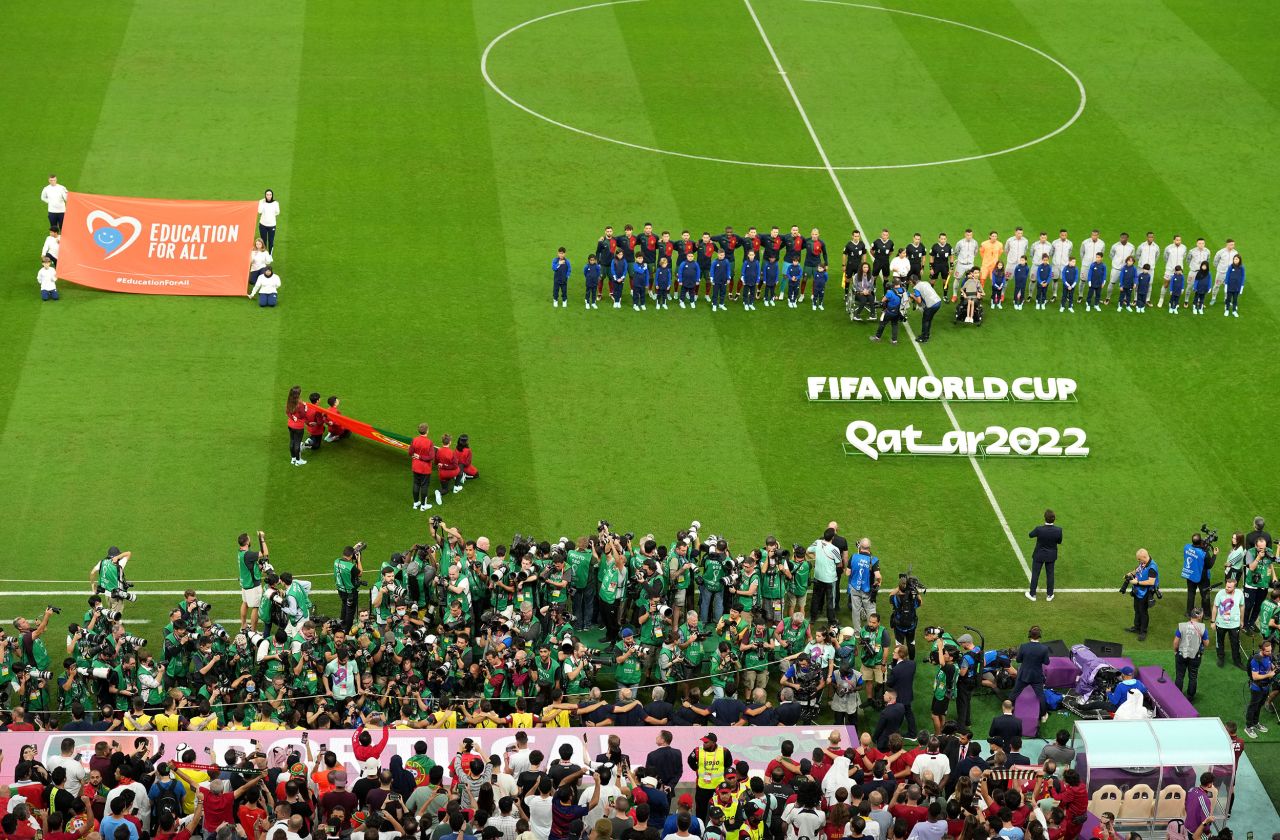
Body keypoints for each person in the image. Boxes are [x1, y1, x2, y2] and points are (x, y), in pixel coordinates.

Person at [1013, 625, 1050, 722]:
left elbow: (1018, 660)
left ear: (1029, 635)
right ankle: (1043, 715)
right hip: (1036, 676)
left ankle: (1007, 710)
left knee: (1014, 693)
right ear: (1039, 636)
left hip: (1024, 675)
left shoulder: (1023, 646)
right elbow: (1047, 662)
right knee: (1040, 696)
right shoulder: (1044, 649)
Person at [1173, 608, 1209, 701]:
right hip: (1195, 656)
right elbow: (1206, 643)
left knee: (1180, 675)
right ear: (1199, 616)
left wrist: (1176, 651)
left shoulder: (1182, 626)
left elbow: (1176, 642)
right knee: (1193, 677)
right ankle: (1190, 697)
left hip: (1182, 654)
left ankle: (1177, 695)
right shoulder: (1203, 628)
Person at [1026, 510, 1062, 602]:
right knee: (1050, 574)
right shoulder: (1058, 530)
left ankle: (1032, 594)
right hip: (1051, 556)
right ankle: (1050, 595)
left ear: (1044, 518)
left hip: (1039, 555)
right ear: (1054, 519)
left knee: (1035, 574)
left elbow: (1030, 535)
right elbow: (1059, 541)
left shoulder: (1039, 529)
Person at [1125, 549, 1159, 641]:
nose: (1139, 561)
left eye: (1139, 559)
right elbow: (1138, 569)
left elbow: (1151, 581)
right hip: (1138, 591)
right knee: (1137, 609)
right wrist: (1130, 573)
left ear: (1144, 557)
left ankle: (1143, 631)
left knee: (1143, 612)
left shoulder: (1152, 567)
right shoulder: (1144, 562)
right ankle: (1136, 627)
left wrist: (1137, 582)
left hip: (1146, 592)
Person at [1212, 577, 1244, 669]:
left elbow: (1242, 606)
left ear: (1235, 587)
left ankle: (1237, 661)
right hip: (1220, 623)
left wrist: (1241, 620)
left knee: (1235, 643)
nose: (1227, 588)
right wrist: (1212, 621)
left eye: (1229, 587)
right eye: (1226, 586)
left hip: (1234, 625)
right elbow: (1215, 607)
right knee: (1220, 642)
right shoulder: (1220, 594)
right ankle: (1221, 658)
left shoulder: (1239, 594)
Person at [1245, 641, 1274, 738]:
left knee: (1260, 705)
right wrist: (1268, 675)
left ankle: (1256, 722)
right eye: (1267, 651)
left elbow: (1269, 665)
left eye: (1270, 650)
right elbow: (1255, 677)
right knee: (1253, 706)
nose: (1270, 653)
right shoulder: (1255, 660)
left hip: (1266, 686)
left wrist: (1273, 667)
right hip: (1257, 688)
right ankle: (1248, 727)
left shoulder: (1268, 656)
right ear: (1262, 650)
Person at [410, 423, 436, 511]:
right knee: (424, 486)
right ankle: (423, 505)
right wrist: (421, 457)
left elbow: (410, 453)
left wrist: (417, 456)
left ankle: (416, 503)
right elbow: (431, 457)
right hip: (425, 469)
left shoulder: (414, 440)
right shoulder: (429, 442)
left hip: (416, 467)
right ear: (427, 431)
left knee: (416, 483)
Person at [870, 279, 904, 344]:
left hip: (889, 312)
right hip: (898, 312)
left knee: (882, 323)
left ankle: (877, 337)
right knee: (895, 325)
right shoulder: (904, 291)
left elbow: (883, 300)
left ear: (893, 284)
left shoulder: (890, 292)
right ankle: (894, 341)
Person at [1104, 232, 1133, 305]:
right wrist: (1116, 262)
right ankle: (1108, 298)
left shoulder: (1131, 247)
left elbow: (1132, 257)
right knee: (1112, 283)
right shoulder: (1115, 246)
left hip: (1126, 269)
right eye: (1121, 237)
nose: (1122, 239)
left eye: (1124, 238)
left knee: (1126, 285)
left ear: (1127, 238)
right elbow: (1111, 255)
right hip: (1116, 268)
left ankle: (1125, 299)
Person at [911, 276, 941, 343]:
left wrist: (912, 296)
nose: (910, 283)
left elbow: (919, 301)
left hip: (931, 305)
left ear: (913, 281)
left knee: (925, 320)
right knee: (929, 319)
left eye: (910, 282)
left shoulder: (916, 288)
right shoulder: (925, 282)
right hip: (938, 302)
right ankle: (926, 334)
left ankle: (924, 337)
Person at [952, 229, 978, 300]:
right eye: (967, 235)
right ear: (965, 235)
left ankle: (967, 293)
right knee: (957, 279)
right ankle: (954, 294)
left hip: (970, 265)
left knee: (970, 279)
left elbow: (975, 252)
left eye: (970, 235)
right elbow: (956, 252)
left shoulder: (975, 243)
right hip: (961, 264)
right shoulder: (960, 243)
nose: (969, 236)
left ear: (972, 235)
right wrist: (960, 259)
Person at [285, 386, 307, 467]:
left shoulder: (289, 401)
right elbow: (302, 415)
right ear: (298, 394)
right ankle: (298, 461)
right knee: (297, 443)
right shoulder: (300, 405)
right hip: (298, 426)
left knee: (292, 441)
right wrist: (305, 408)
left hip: (290, 424)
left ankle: (293, 458)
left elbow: (287, 412)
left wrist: (292, 417)